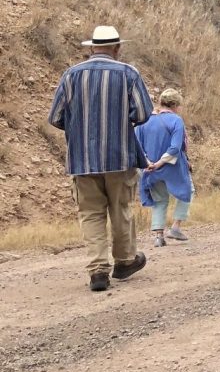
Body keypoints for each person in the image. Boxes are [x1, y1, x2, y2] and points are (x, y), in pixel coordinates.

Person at [47, 25, 153, 292]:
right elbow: (142, 114)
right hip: (120, 157)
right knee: (120, 210)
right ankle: (125, 261)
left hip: (82, 159)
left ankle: (97, 271)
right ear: (117, 48)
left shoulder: (70, 75)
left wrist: (79, 130)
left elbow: (56, 117)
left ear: (92, 48)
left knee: (91, 214)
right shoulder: (128, 74)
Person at [137, 87, 193, 248]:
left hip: (149, 168)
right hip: (171, 167)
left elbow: (137, 146)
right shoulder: (176, 120)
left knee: (159, 200)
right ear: (175, 105)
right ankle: (176, 227)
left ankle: (158, 236)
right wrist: (161, 162)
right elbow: (175, 147)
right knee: (188, 191)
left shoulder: (144, 120)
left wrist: (148, 163)